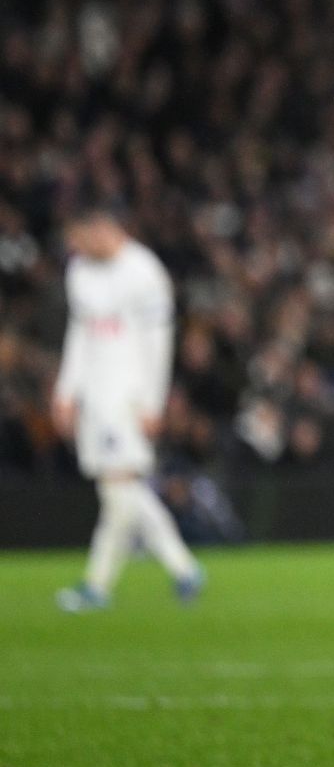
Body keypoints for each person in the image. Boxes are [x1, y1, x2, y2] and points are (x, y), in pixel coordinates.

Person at [51, 206, 203, 611]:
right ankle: (184, 569)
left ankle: (97, 585)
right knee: (121, 490)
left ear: (103, 228)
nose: (73, 246)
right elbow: (80, 333)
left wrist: (152, 402)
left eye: (79, 237)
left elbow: (159, 343)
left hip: (128, 397)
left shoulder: (145, 272)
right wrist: (66, 391)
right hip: (94, 397)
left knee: (119, 490)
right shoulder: (80, 270)